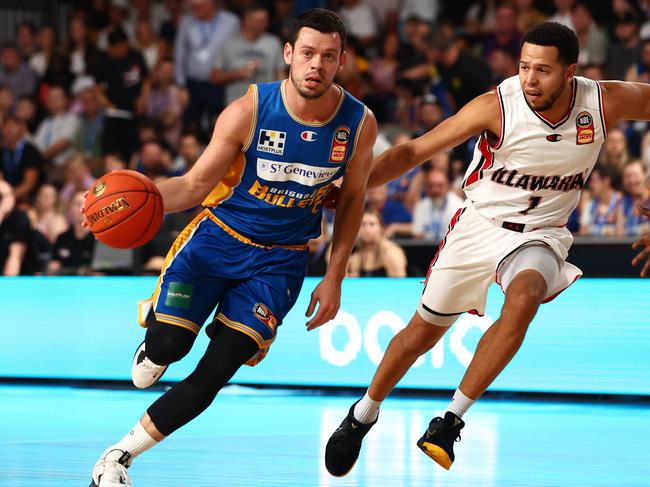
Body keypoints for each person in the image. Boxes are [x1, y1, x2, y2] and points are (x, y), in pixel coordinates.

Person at [324, 21, 650, 476]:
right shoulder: (497, 105)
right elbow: (413, 152)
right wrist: (351, 185)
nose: (530, 79)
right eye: (523, 67)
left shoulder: (605, 100)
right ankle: (363, 412)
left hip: (541, 231)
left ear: (571, 72)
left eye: (543, 71)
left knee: (524, 299)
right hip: (479, 225)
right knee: (419, 336)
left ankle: (449, 420)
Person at [89, 9, 376, 486]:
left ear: (341, 60)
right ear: (288, 54)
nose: (316, 66)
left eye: (328, 57)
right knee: (169, 347)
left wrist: (335, 274)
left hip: (279, 262)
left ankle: (118, 457)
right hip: (216, 242)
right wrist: (123, 206)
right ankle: (157, 343)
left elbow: (352, 201)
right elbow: (195, 184)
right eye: (307, 54)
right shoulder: (249, 110)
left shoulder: (358, 123)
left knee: (217, 370)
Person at [347, 209, 407, 277]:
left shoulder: (391, 252)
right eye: (363, 224)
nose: (367, 229)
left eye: (372, 224)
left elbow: (400, 284)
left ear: (381, 228)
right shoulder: (356, 257)